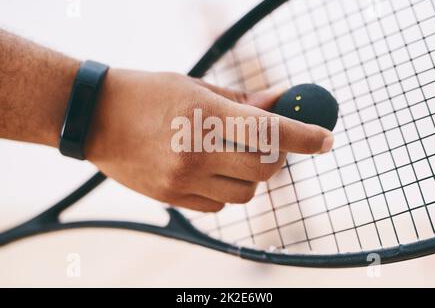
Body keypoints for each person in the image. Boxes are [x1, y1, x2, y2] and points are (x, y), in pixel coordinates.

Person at [0, 29, 333, 212]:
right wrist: (104, 116)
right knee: (273, 186)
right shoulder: (252, 65)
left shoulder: (253, 65)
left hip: (256, 138)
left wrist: (102, 116)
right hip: (254, 139)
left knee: (274, 186)